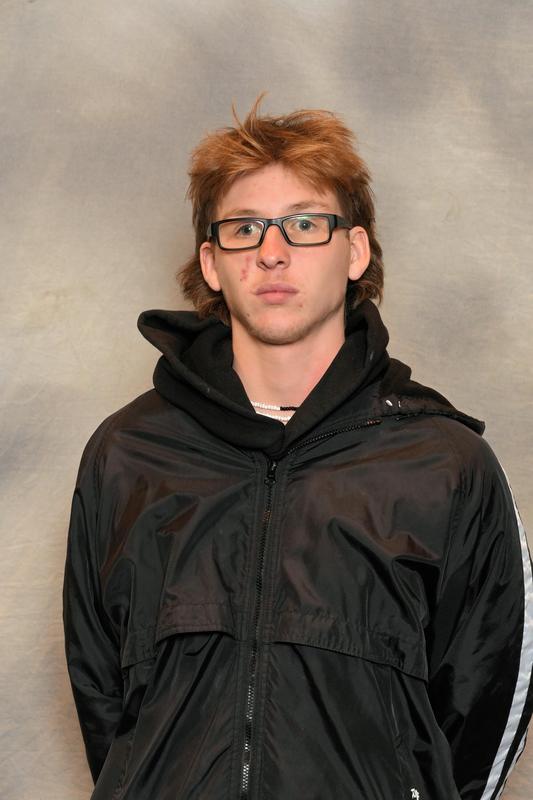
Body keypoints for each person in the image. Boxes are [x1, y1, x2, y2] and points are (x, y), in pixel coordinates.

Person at [63, 100, 533, 800]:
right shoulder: (128, 455)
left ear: (355, 252)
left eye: (305, 224)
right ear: (211, 264)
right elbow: (105, 699)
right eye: (243, 228)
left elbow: (487, 697)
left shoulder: (445, 464)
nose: (271, 251)